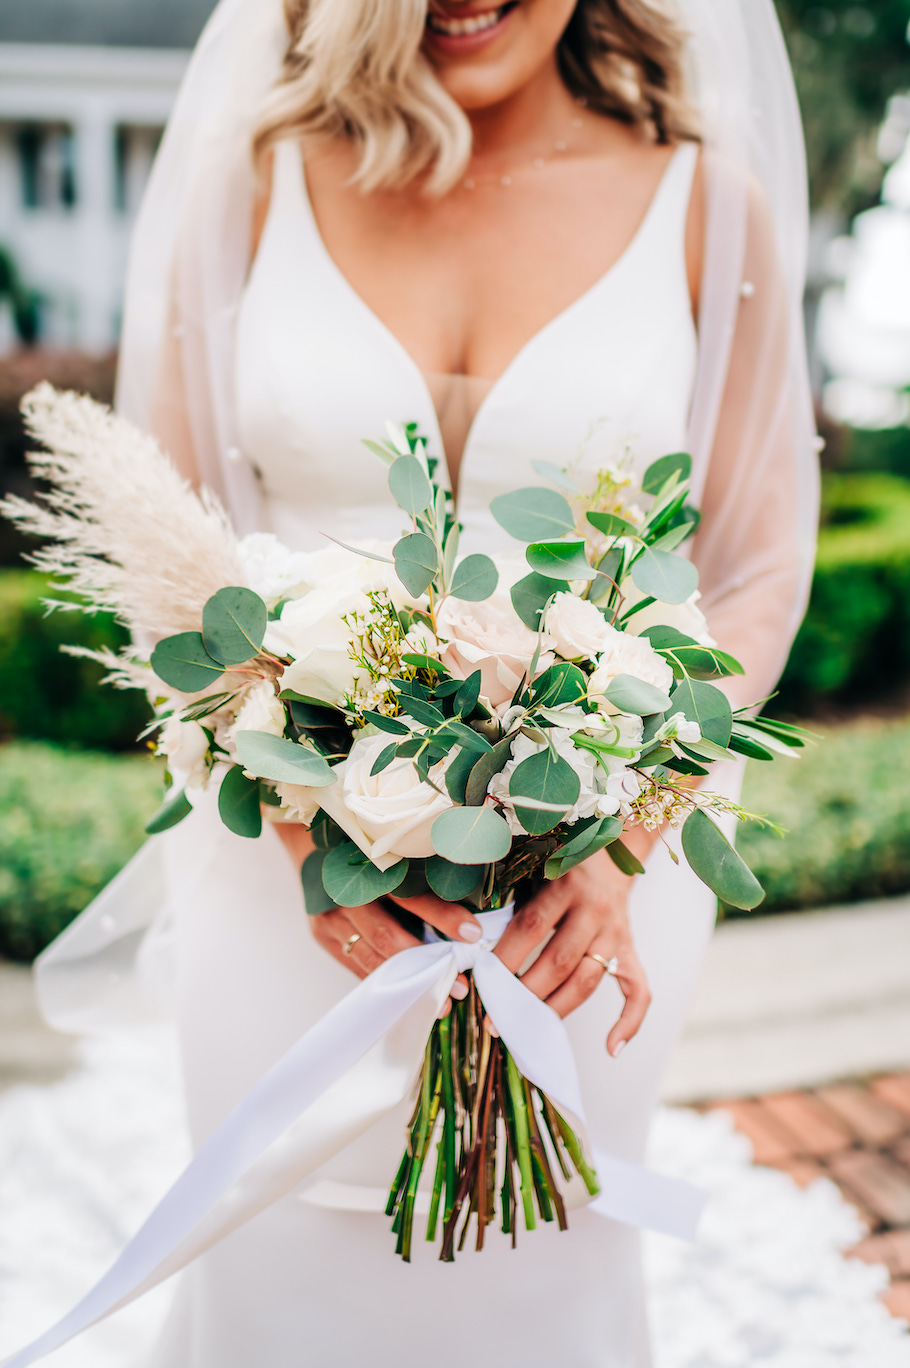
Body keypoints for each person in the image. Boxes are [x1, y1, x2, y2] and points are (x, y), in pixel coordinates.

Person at [24, 2, 819, 1365]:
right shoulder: (253, 184)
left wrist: (622, 837)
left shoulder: (699, 203)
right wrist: (302, 827)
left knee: (541, 1268)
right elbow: (175, 571)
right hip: (288, 885)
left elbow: (750, 566)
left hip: (596, 894)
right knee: (279, 1247)